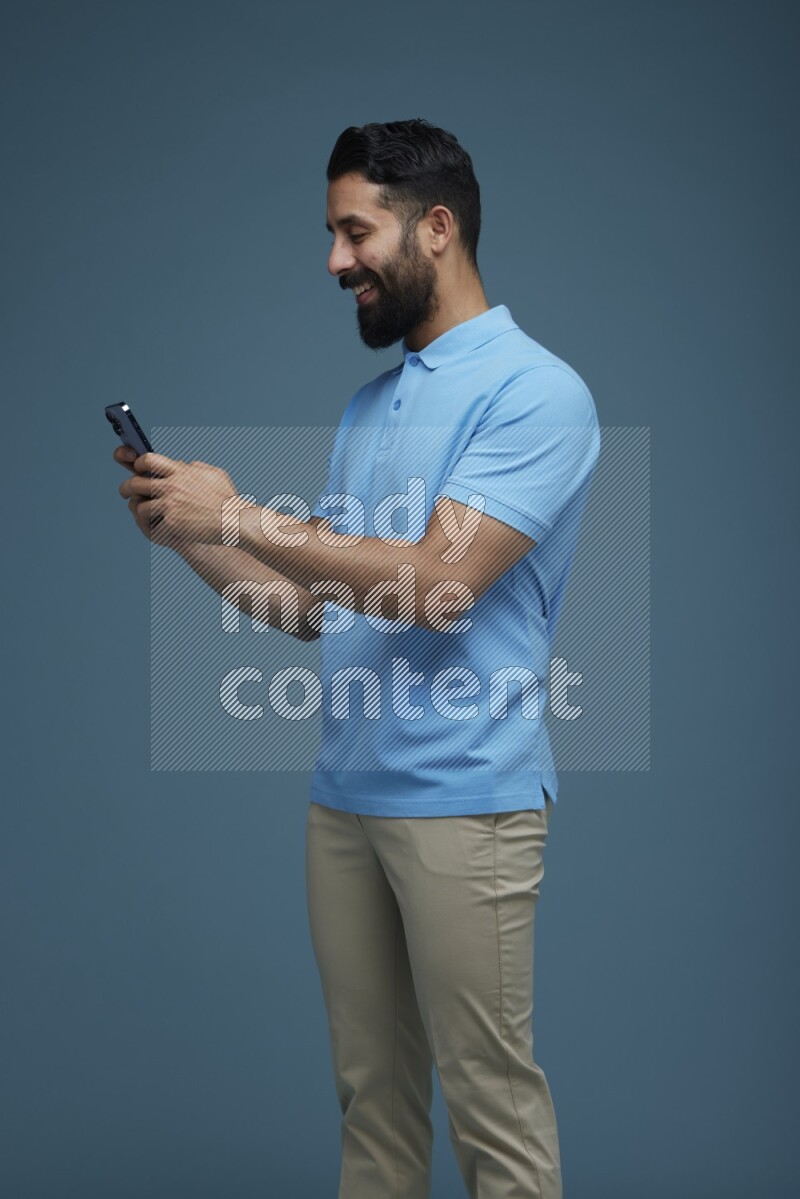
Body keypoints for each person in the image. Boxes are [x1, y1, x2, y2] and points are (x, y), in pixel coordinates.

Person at [114, 118, 601, 1199]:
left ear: (435, 228)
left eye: (353, 231)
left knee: (491, 1113)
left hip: (465, 802)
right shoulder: (370, 405)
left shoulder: (535, 393)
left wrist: (237, 510)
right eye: (331, 234)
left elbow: (436, 586)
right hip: (344, 802)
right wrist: (193, 535)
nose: (334, 261)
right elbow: (317, 611)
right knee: (371, 1106)